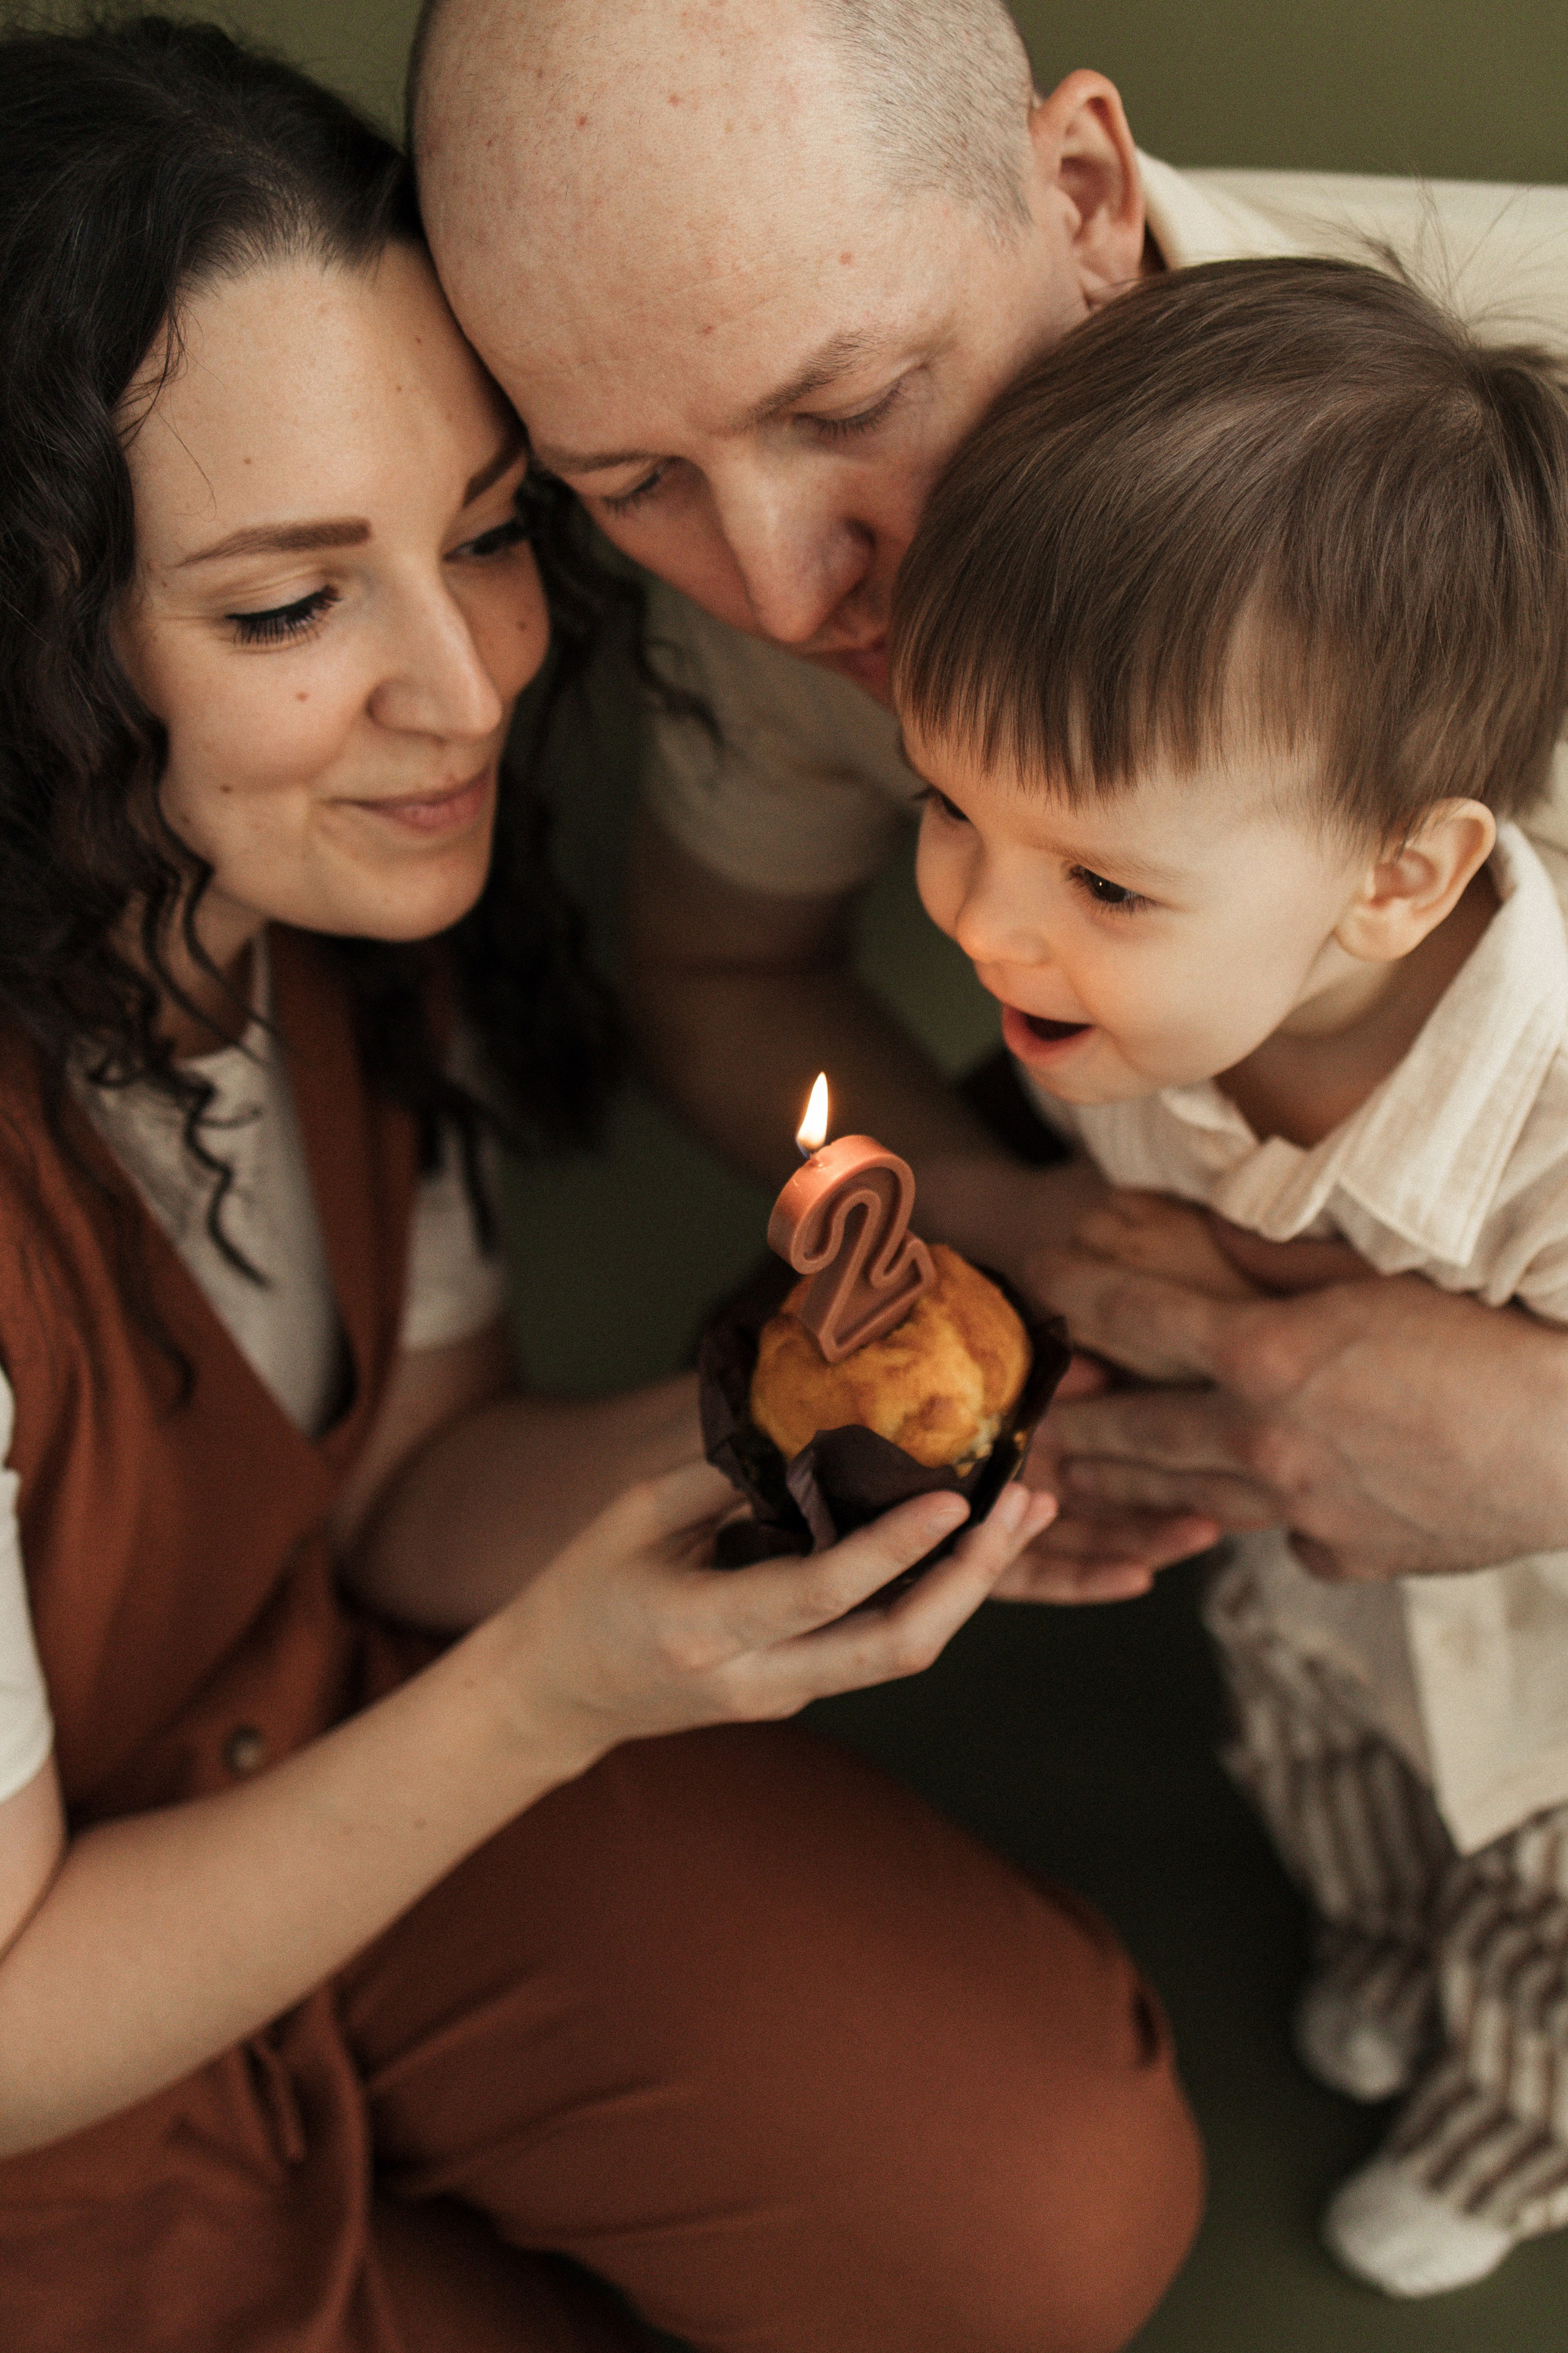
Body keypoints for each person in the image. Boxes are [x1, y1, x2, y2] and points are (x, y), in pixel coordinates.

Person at [0, 17, 1205, 2352]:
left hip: (323, 1736)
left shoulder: (299, 912)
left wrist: (815, 1410)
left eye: (482, 536)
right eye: (282, 609)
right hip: (58, 1996)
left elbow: (408, 1494)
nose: (468, 689)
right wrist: (549, 1697)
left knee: (1049, 2185)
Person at [410, 0, 1568, 1597]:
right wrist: (996, 1229)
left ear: (1084, 192)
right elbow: (723, 973)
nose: (782, 590)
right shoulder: (776, 554)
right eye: (630, 486)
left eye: (849, 403)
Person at [888, 250, 1568, 2297]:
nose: (988, 926)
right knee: (1316, 1773)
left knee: (1548, 1922)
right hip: (1298, 1576)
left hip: (1548, 1667)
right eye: (945, 803)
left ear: (1400, 873)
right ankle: (1375, 1942)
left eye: (1098, 878)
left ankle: (1515, 2125)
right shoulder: (1133, 1009)